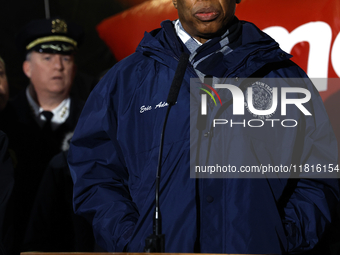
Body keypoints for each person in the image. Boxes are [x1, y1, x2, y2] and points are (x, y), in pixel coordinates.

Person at [68, 0, 340, 254]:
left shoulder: (282, 75)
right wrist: (129, 239)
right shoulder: (126, 80)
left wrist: (282, 236)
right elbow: (95, 169)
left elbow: (318, 172)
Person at [0, 17, 85, 255]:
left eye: (66, 58)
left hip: (76, 244)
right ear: (27, 68)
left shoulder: (95, 120)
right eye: (47, 58)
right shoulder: (5, 120)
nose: (58, 66)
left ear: (74, 68)